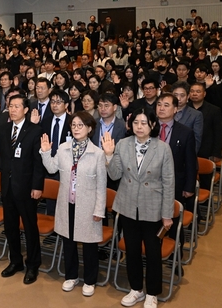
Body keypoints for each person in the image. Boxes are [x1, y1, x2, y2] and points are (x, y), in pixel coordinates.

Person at [102, 108, 175, 308]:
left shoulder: (162, 148)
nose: (139, 127)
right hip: (127, 205)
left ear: (152, 125)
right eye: (136, 123)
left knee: (152, 252)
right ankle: (136, 289)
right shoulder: (123, 144)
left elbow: (169, 183)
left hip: (152, 207)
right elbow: (115, 175)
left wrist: (167, 214)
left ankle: (152, 293)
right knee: (132, 250)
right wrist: (109, 155)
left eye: (144, 123)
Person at [39, 111, 107, 296]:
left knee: (89, 244)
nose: (76, 129)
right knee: (68, 242)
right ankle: (71, 276)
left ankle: (90, 280)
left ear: (90, 128)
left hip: (88, 205)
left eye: (81, 125)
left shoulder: (98, 154)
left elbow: (102, 185)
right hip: (66, 202)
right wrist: (46, 152)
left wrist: (99, 209)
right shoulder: (63, 148)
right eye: (74, 125)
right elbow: (52, 168)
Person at [0, 94, 44, 285]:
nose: (13, 109)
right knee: (10, 227)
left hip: (27, 188)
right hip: (7, 186)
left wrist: (37, 186)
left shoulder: (35, 130)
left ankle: (33, 265)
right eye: (10, 106)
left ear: (26, 110)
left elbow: (38, 162)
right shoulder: (4, 128)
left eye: (17, 106)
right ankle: (15, 261)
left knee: (30, 227)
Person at [91, 92, 127, 190]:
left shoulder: (123, 126)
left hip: (113, 170)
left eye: (106, 106)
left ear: (115, 107)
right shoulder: (93, 124)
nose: (102, 109)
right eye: (100, 106)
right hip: (94, 169)